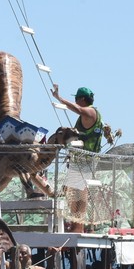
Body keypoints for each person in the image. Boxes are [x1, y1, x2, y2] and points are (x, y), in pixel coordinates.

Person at [51, 85, 102, 232]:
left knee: (80, 192)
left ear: (82, 99)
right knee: (71, 191)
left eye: (76, 99)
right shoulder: (88, 116)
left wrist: (60, 98)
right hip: (81, 160)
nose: (75, 101)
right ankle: (76, 223)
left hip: (85, 161)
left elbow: (78, 109)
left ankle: (78, 226)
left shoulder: (90, 112)